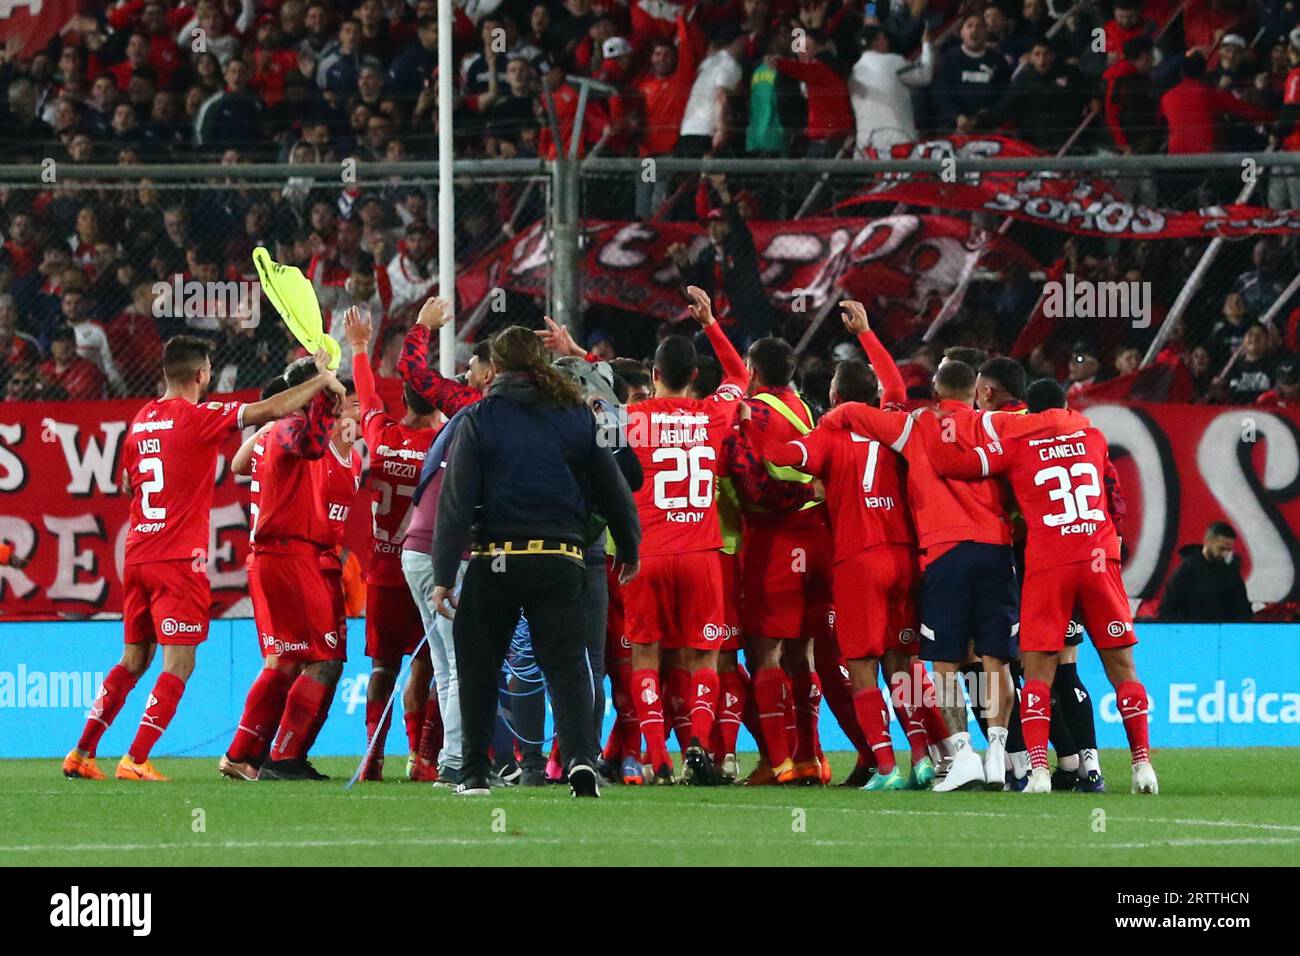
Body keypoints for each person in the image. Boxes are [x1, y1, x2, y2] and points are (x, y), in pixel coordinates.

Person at [63, 337, 344, 781]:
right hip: (176, 560)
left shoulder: (139, 422)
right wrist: (321, 380)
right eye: (209, 369)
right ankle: (135, 760)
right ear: (200, 375)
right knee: (180, 663)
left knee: (133, 658)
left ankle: (81, 752)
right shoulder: (199, 417)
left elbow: (126, 484)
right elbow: (269, 411)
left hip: (136, 555)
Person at [916, 377, 1159, 796]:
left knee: (1038, 674)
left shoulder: (1019, 440)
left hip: (1050, 563)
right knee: (1122, 670)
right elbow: (1110, 490)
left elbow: (962, 465)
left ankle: (1040, 774)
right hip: (1099, 559)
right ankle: (1142, 768)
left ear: (1030, 408)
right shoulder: (1093, 435)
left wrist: (930, 439)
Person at [431, 327, 641, 798]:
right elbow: (614, 488)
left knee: (479, 660)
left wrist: (444, 575)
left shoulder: (479, 418)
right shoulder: (575, 416)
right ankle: (582, 764)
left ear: (497, 368)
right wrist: (628, 546)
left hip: (497, 560)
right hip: (562, 559)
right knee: (568, 665)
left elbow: (456, 502)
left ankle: (474, 774)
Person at [619, 285, 749, 785]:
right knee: (705, 655)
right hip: (702, 553)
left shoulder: (630, 419)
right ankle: (698, 741)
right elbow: (739, 376)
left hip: (646, 555)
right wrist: (711, 322)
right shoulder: (713, 415)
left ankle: (658, 758)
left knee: (645, 654)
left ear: (653, 377)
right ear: (695, 377)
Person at [242, 360, 363, 782]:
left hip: (320, 561)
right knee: (307, 660)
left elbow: (242, 464)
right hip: (294, 556)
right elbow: (252, 458)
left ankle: (252, 754)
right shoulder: (307, 439)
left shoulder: (354, 461)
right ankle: (276, 755)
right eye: (352, 403)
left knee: (298, 660)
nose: (359, 411)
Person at [342, 306, 443, 782]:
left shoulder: (381, 437)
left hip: (382, 571)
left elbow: (365, 397)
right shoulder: (443, 443)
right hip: (424, 568)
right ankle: (420, 757)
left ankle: (371, 757)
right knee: (428, 665)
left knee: (383, 665)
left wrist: (359, 348)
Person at [1159, 522, 1253, 623]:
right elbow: (1168, 609)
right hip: (1190, 633)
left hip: (1223, 634)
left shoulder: (1231, 574)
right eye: (1221, 548)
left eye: (1228, 550)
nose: (1225, 554)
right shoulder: (1185, 571)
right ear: (1207, 542)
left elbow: (1242, 610)